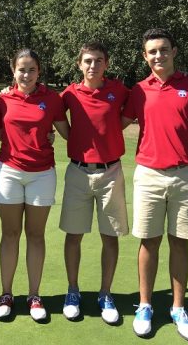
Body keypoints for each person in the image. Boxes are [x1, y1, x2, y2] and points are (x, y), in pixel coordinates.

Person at [123, 28, 188, 341]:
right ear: (144, 56)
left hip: (186, 173)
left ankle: (178, 308)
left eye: (163, 50)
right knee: (149, 241)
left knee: (180, 241)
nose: (158, 56)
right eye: (152, 52)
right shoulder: (138, 90)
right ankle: (145, 305)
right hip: (148, 174)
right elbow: (112, 123)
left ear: (174, 51)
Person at [0, 49, 69, 321]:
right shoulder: (2, 99)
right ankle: (6, 294)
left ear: (39, 72)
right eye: (21, 69)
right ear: (13, 71)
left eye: (32, 69)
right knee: (10, 234)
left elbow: (67, 132)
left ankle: (34, 296)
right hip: (9, 173)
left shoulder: (51, 99)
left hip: (42, 174)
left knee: (36, 235)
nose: (26, 74)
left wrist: (49, 138)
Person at [58, 42, 130, 324]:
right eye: (88, 61)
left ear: (106, 64)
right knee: (73, 235)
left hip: (111, 172)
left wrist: (110, 131)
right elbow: (49, 111)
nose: (93, 66)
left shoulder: (119, 91)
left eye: (99, 60)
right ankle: (72, 291)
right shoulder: (69, 94)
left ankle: (105, 293)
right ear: (79, 64)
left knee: (109, 236)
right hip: (78, 172)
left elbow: (128, 115)